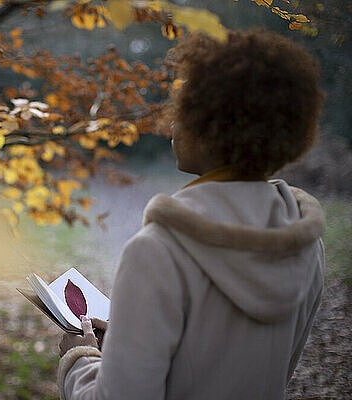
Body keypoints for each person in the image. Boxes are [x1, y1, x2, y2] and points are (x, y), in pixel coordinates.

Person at [57, 28, 326, 400]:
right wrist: (130, 341)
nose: (172, 124)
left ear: (211, 125)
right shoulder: (305, 243)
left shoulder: (157, 250)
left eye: (183, 109)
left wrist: (80, 356)